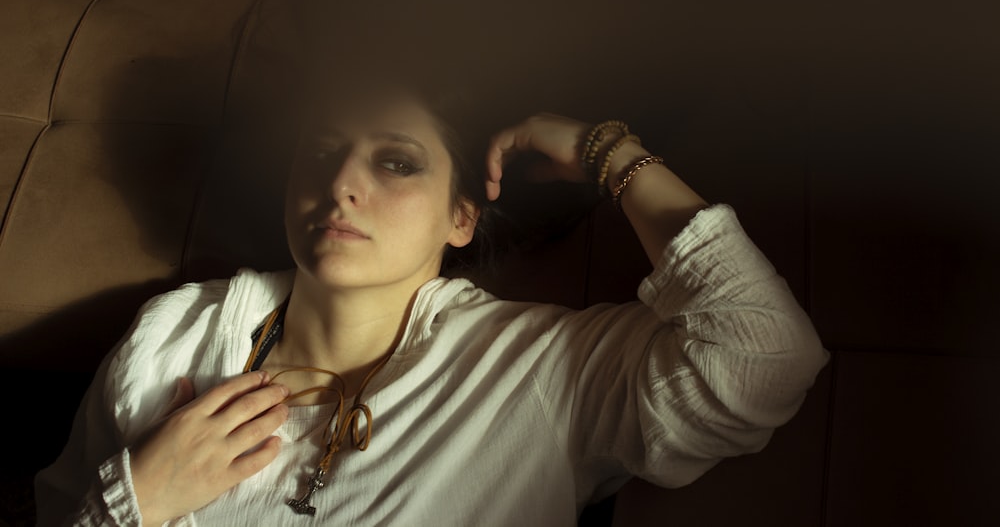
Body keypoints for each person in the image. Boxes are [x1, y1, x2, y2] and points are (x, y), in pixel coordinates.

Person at [34, 81, 828, 526]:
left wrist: (607, 152)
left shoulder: (537, 371)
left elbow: (763, 357)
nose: (342, 181)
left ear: (461, 217)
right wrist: (133, 499)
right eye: (320, 150)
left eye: (395, 161)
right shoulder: (173, 336)